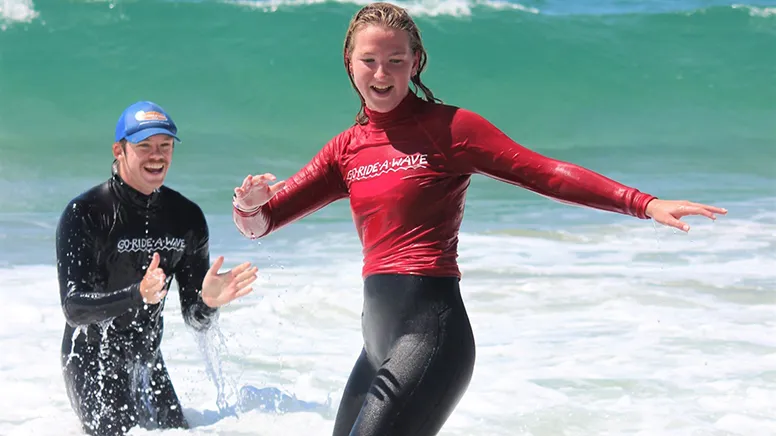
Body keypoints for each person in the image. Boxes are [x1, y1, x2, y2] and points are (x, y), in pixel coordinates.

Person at [230, 3, 728, 435]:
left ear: (416, 62)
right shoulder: (345, 150)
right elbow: (262, 225)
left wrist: (641, 201)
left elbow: (544, 173)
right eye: (370, 61)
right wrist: (249, 205)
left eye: (396, 61)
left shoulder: (449, 129)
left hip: (430, 334)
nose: (382, 74)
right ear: (349, 63)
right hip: (376, 343)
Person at [56, 100, 259, 436]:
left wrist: (208, 302)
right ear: (119, 150)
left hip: (146, 359)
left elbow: (194, 317)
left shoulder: (186, 218)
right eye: (144, 146)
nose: (157, 155)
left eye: (165, 146)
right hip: (92, 359)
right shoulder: (85, 214)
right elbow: (73, 308)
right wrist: (137, 294)